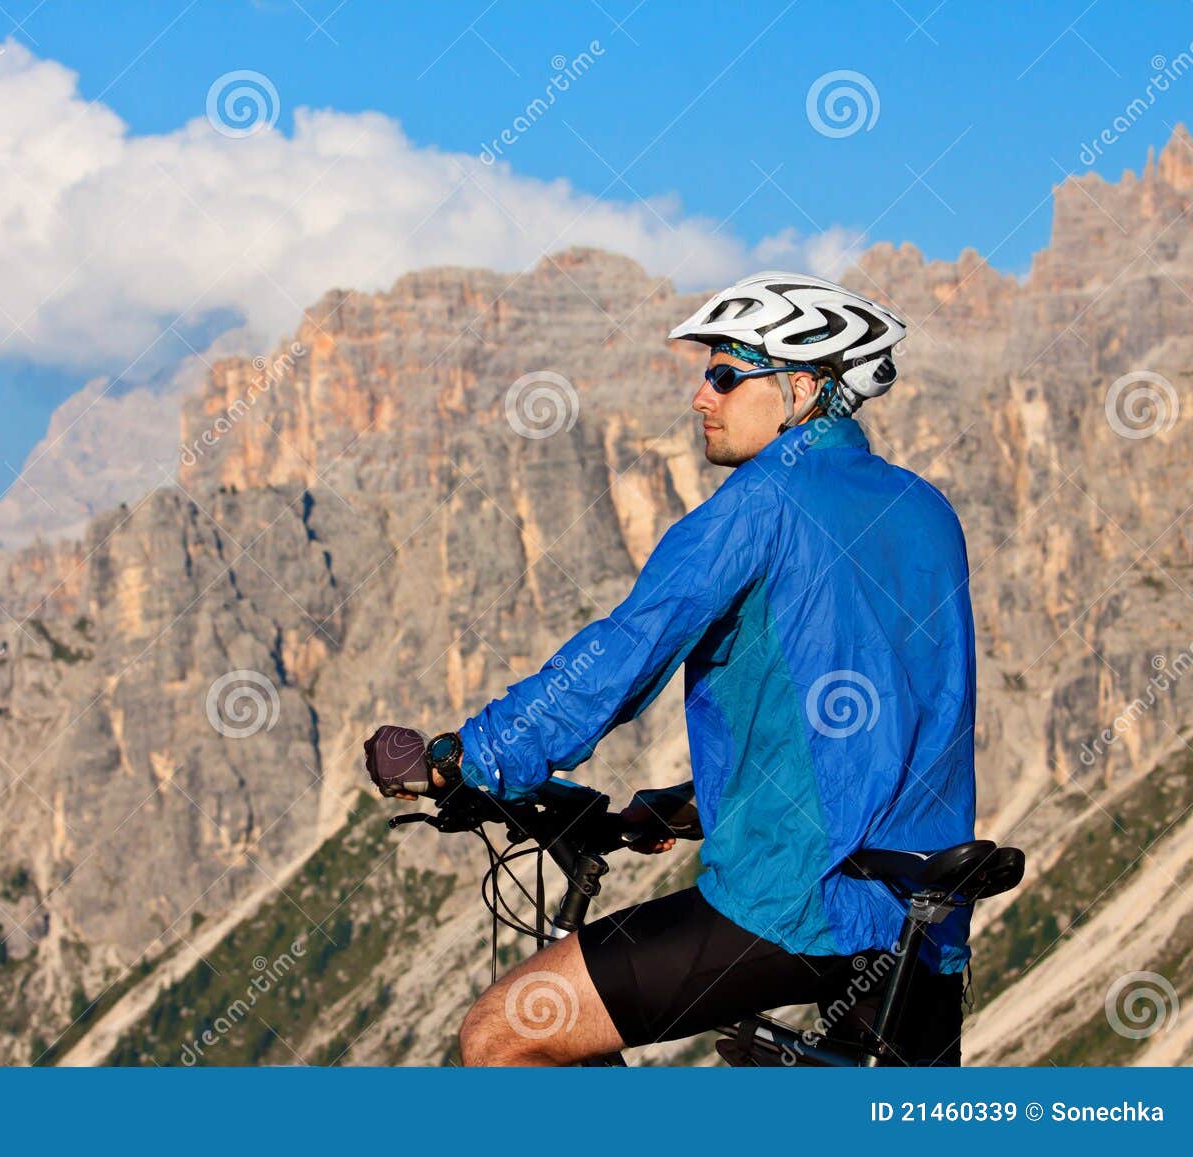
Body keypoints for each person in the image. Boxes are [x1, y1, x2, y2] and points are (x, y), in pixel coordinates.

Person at [366, 271, 976, 1066]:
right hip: (922, 917)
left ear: (800, 390)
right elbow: (893, 717)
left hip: (803, 895)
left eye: (726, 375)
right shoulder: (927, 509)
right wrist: (692, 805)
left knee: (504, 1032)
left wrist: (467, 756)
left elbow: (622, 652)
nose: (701, 396)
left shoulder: (759, 504)